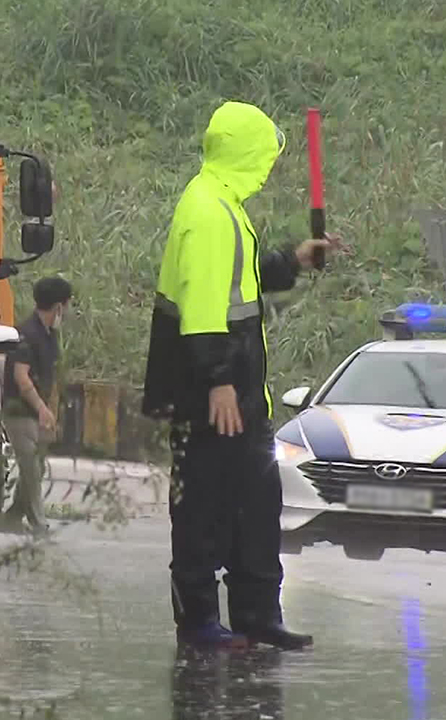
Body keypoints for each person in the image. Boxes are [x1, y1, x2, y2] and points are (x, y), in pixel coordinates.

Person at [142, 101, 348, 650]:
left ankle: (257, 614)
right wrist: (218, 380)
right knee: (203, 508)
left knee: (254, 508)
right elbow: (207, 306)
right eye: (266, 155)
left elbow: (242, 279)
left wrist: (293, 260)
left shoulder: (223, 205)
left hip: (238, 392)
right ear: (248, 153)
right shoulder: (209, 212)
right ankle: (202, 622)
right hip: (212, 393)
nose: (271, 166)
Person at [1, 276, 73, 534]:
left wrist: (49, 411)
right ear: (58, 307)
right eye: (68, 305)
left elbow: (50, 375)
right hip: (18, 411)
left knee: (38, 466)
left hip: (37, 410)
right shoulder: (27, 334)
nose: (69, 311)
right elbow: (21, 377)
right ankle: (38, 522)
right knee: (30, 466)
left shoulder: (49, 334)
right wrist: (42, 408)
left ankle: (13, 516)